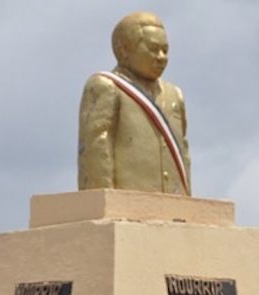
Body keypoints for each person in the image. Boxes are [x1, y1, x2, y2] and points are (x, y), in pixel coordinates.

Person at [78, 12, 191, 196]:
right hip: (126, 202)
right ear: (123, 50)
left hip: (174, 205)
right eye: (153, 49)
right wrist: (102, 199)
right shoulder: (107, 86)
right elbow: (96, 147)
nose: (162, 57)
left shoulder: (174, 95)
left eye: (165, 50)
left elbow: (183, 152)